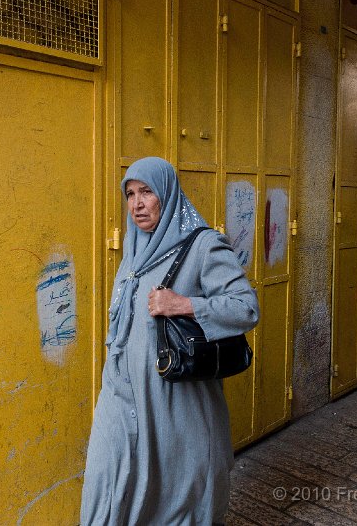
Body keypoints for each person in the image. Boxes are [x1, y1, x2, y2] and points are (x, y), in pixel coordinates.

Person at [79, 157, 260, 525]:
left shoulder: (203, 246)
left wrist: (184, 305)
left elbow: (246, 308)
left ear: (167, 194)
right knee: (104, 480)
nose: (137, 203)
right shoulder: (134, 248)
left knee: (175, 493)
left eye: (146, 192)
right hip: (120, 393)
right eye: (130, 194)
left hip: (175, 402)